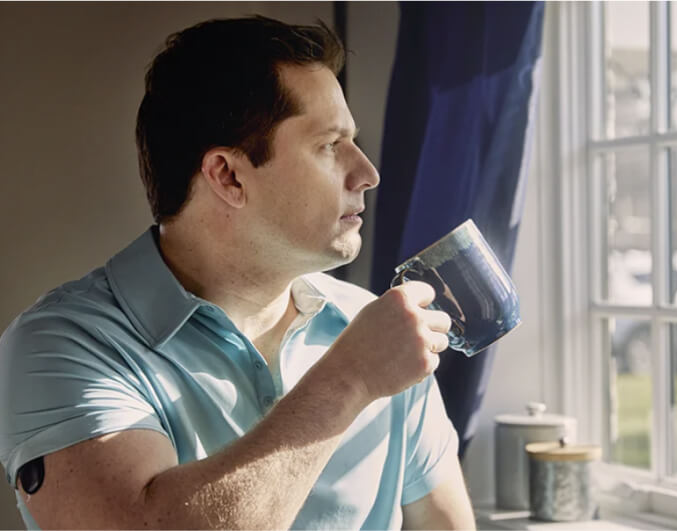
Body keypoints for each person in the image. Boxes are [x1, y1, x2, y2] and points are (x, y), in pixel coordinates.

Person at [0, 15, 475, 530]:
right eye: (329, 145)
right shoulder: (61, 346)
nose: (368, 173)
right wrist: (350, 380)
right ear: (228, 176)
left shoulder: (375, 328)